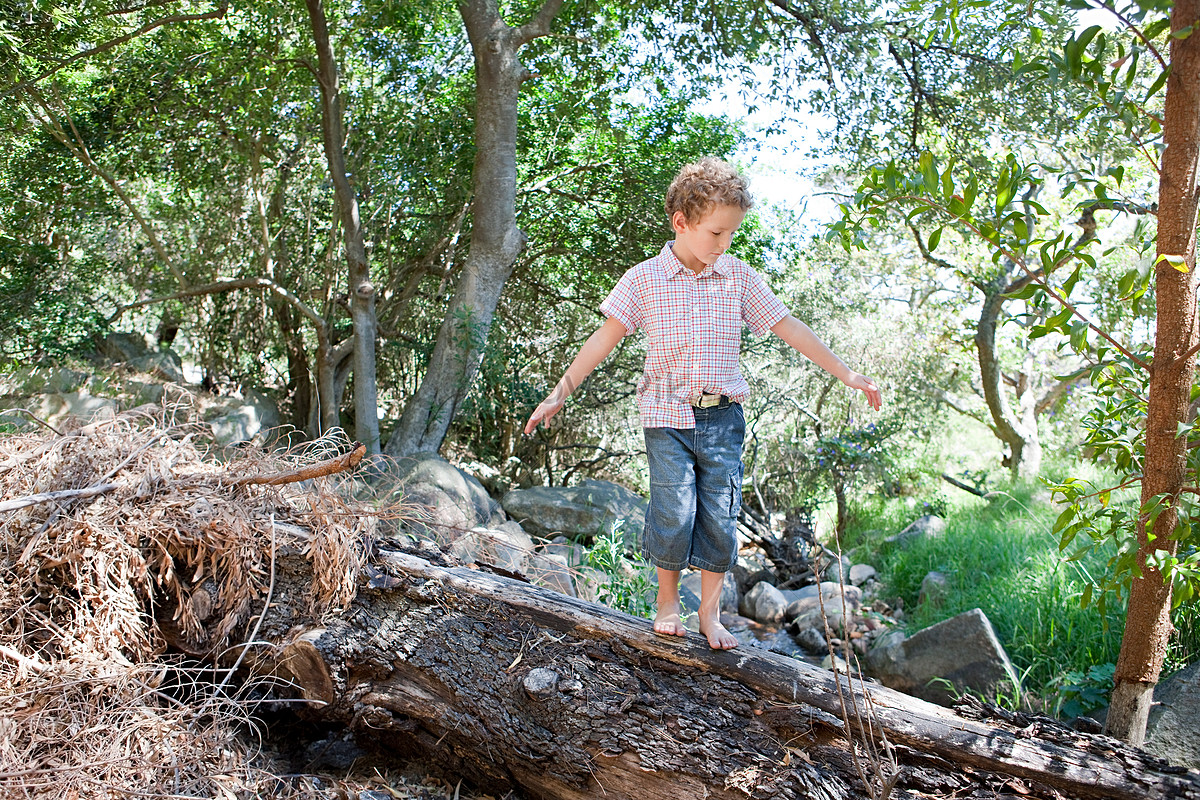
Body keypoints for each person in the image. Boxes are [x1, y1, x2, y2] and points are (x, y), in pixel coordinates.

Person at [523, 157, 882, 650]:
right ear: (682, 223)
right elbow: (603, 339)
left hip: (723, 417)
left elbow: (788, 326)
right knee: (673, 510)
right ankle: (668, 603)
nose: (724, 244)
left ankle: (709, 617)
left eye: (732, 233)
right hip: (666, 415)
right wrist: (561, 390)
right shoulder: (644, 279)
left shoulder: (738, 278)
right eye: (716, 233)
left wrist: (846, 373)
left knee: (719, 514)